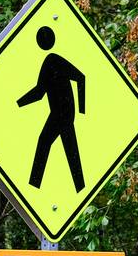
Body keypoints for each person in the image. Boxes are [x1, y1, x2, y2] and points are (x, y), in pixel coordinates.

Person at [17, 26, 86, 192]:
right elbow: (39, 92)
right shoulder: (49, 62)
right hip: (59, 113)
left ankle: (34, 186)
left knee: (47, 143)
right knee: (69, 151)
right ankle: (79, 187)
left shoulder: (53, 60)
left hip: (63, 113)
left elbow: (81, 78)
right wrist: (18, 103)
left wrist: (82, 110)